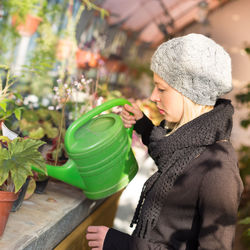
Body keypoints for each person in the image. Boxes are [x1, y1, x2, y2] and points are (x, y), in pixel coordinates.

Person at [86, 33, 244, 250]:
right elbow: (172, 161)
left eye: (161, 89)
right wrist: (142, 123)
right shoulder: (193, 144)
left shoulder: (218, 169)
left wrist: (122, 245)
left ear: (189, 92)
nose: (153, 96)